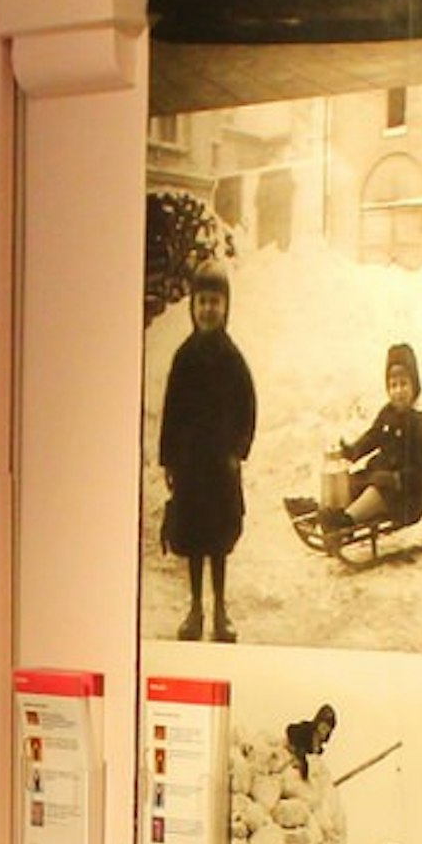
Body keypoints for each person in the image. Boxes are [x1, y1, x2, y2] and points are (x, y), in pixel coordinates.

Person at [157, 269, 256, 641]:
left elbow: (248, 407)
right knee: (194, 538)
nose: (208, 310)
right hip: (190, 466)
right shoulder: (184, 358)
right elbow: (172, 410)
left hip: (221, 467)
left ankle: (220, 609)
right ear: (192, 307)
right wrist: (169, 459)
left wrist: (238, 450)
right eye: (202, 302)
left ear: (226, 307)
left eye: (215, 302)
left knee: (218, 540)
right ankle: (195, 607)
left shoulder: (232, 360)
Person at [319, 343, 422, 545]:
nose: (398, 391)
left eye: (404, 384)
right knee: (353, 482)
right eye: (393, 385)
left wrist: (396, 478)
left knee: (376, 491)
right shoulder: (388, 412)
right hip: (383, 476)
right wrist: (352, 450)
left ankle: (345, 522)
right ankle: (328, 510)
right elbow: (373, 437)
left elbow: (421, 469)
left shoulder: (421, 422)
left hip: (409, 493)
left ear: (414, 385)